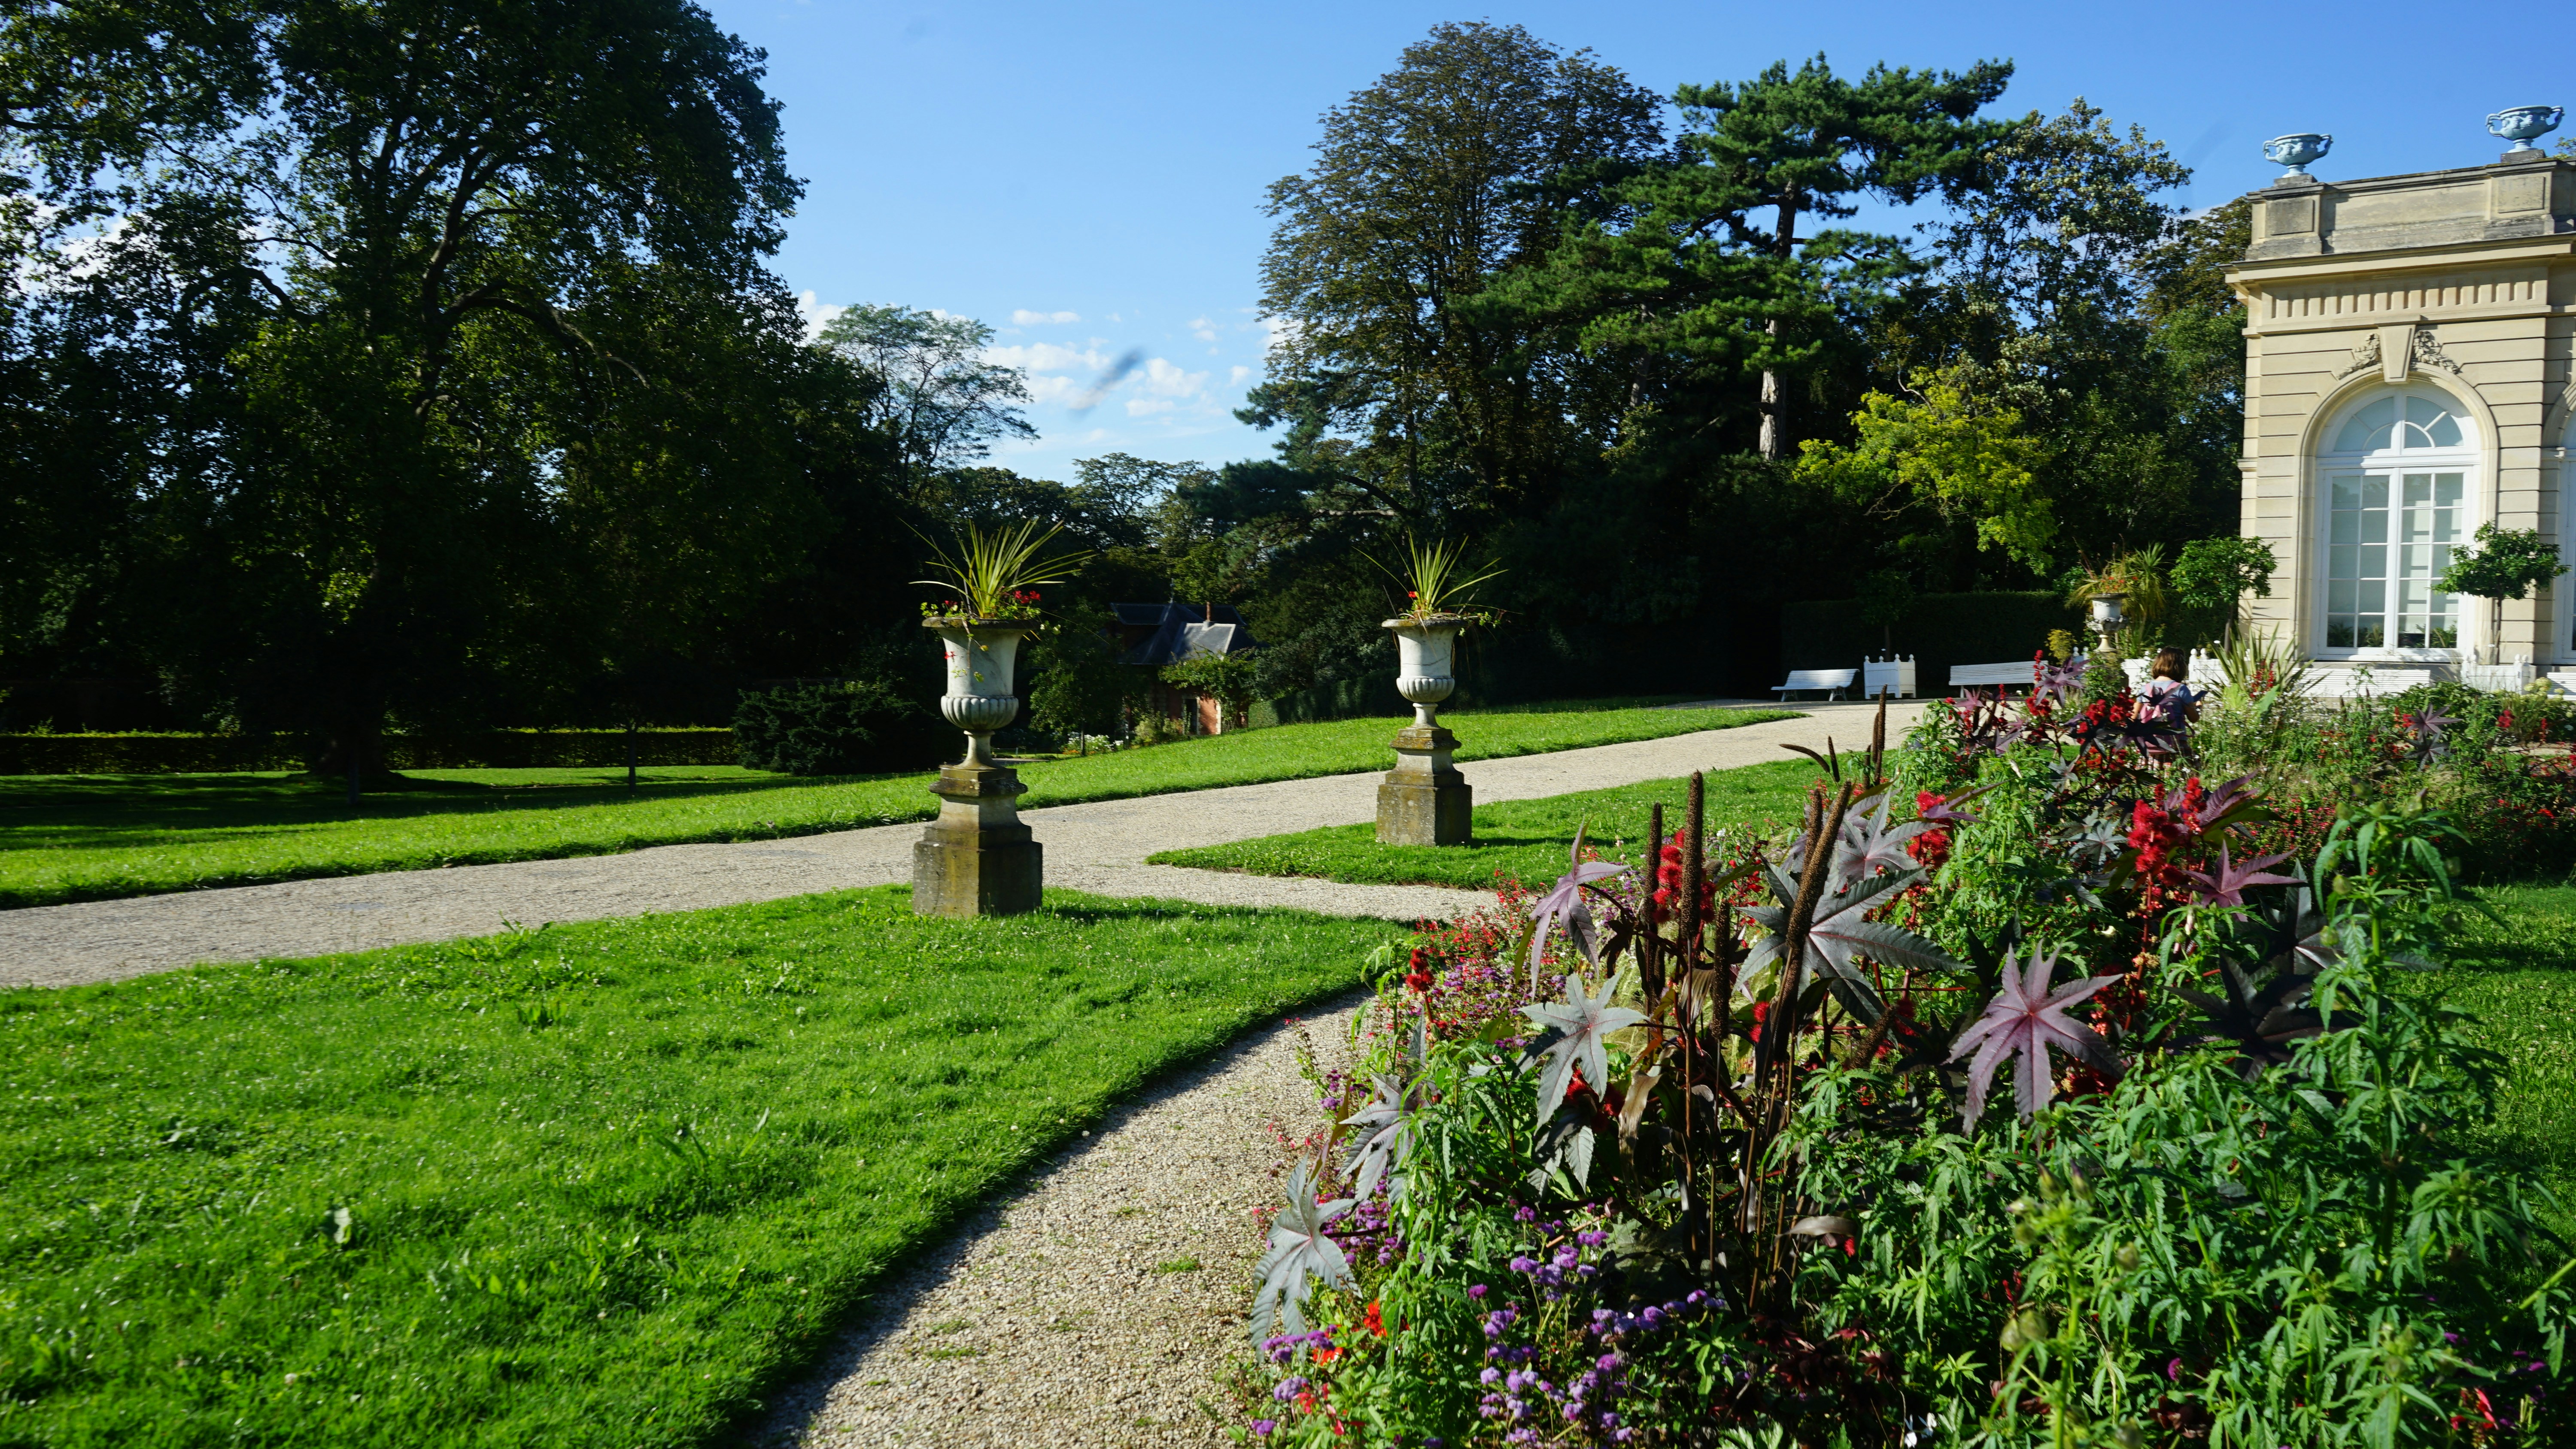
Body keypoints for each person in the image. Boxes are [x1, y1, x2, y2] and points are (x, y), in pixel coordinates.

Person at [2143, 647, 2200, 723]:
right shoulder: (2181, 689)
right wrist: (2199, 706)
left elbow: (2133, 717)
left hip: (2149, 734)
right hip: (2175, 735)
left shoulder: (2145, 688)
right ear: (2180, 667)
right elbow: (2194, 719)